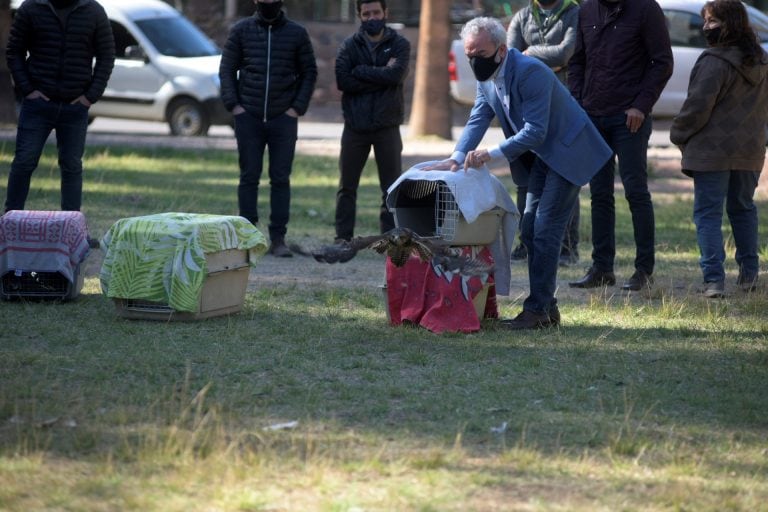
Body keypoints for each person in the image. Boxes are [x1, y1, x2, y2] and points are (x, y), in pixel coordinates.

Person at [425, 17, 611, 329]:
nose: (473, 60)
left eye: (480, 54)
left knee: (545, 229)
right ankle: (546, 309)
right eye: (469, 54)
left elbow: (535, 131)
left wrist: (491, 153)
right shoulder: (487, 79)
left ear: (501, 50)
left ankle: (538, 310)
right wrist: (455, 158)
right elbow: (478, 118)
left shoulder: (530, 72)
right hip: (542, 156)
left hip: (568, 151)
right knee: (529, 228)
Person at [567, 0, 673, 291]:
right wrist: (577, 103)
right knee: (599, 195)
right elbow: (577, 61)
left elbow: (662, 62)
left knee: (636, 192)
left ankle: (643, 270)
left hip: (630, 119)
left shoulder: (646, 8)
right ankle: (602, 268)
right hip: (592, 116)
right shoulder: (587, 10)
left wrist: (641, 105)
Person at [670, 0, 767, 298]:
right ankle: (749, 275)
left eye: (712, 21)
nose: (706, 27)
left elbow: (697, 108)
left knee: (708, 215)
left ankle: (713, 281)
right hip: (750, 150)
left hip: (712, 151)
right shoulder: (761, 60)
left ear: (729, 23)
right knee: (743, 209)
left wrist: (678, 134)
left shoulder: (713, 61)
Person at [219, 0, 318, 257]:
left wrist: (296, 108)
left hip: (283, 118)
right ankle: (248, 236)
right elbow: (227, 70)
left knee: (281, 179)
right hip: (248, 117)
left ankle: (278, 239)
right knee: (249, 176)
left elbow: (309, 72)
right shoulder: (241, 30)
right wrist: (234, 106)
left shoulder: (297, 33)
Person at [4, 0, 115, 221]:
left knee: (72, 166)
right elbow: (14, 52)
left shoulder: (93, 11)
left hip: (75, 106)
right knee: (24, 161)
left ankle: (72, 229)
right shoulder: (31, 8)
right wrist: (28, 89)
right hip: (37, 105)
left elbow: (106, 55)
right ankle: (9, 225)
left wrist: (89, 96)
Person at [506, 0, 581, 266]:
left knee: (564, 178)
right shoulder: (522, 17)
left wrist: (530, 54)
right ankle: (526, 243)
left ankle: (567, 247)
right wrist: (539, 59)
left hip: (564, 109)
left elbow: (565, 54)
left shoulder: (573, 13)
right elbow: (511, 57)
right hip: (528, 109)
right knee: (526, 181)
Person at [334, 0, 411, 242]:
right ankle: (342, 238)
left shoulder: (400, 44)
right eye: (366, 14)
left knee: (391, 187)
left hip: (387, 126)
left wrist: (360, 71)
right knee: (347, 187)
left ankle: (388, 238)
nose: (371, 17)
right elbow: (343, 81)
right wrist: (381, 75)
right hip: (355, 126)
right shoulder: (348, 46)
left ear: (386, 13)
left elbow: (395, 75)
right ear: (359, 16)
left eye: (376, 12)